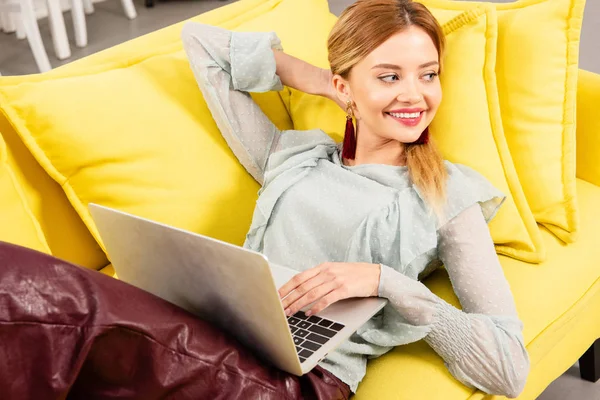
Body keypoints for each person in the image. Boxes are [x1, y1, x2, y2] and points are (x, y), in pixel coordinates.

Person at [0, 1, 529, 399]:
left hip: (296, 381)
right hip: (213, 336)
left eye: (428, 74)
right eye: (388, 76)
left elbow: (508, 368)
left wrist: (385, 282)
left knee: (49, 295)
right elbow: (202, 45)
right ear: (346, 87)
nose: (415, 95)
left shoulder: (449, 194)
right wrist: (324, 82)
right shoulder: (295, 156)